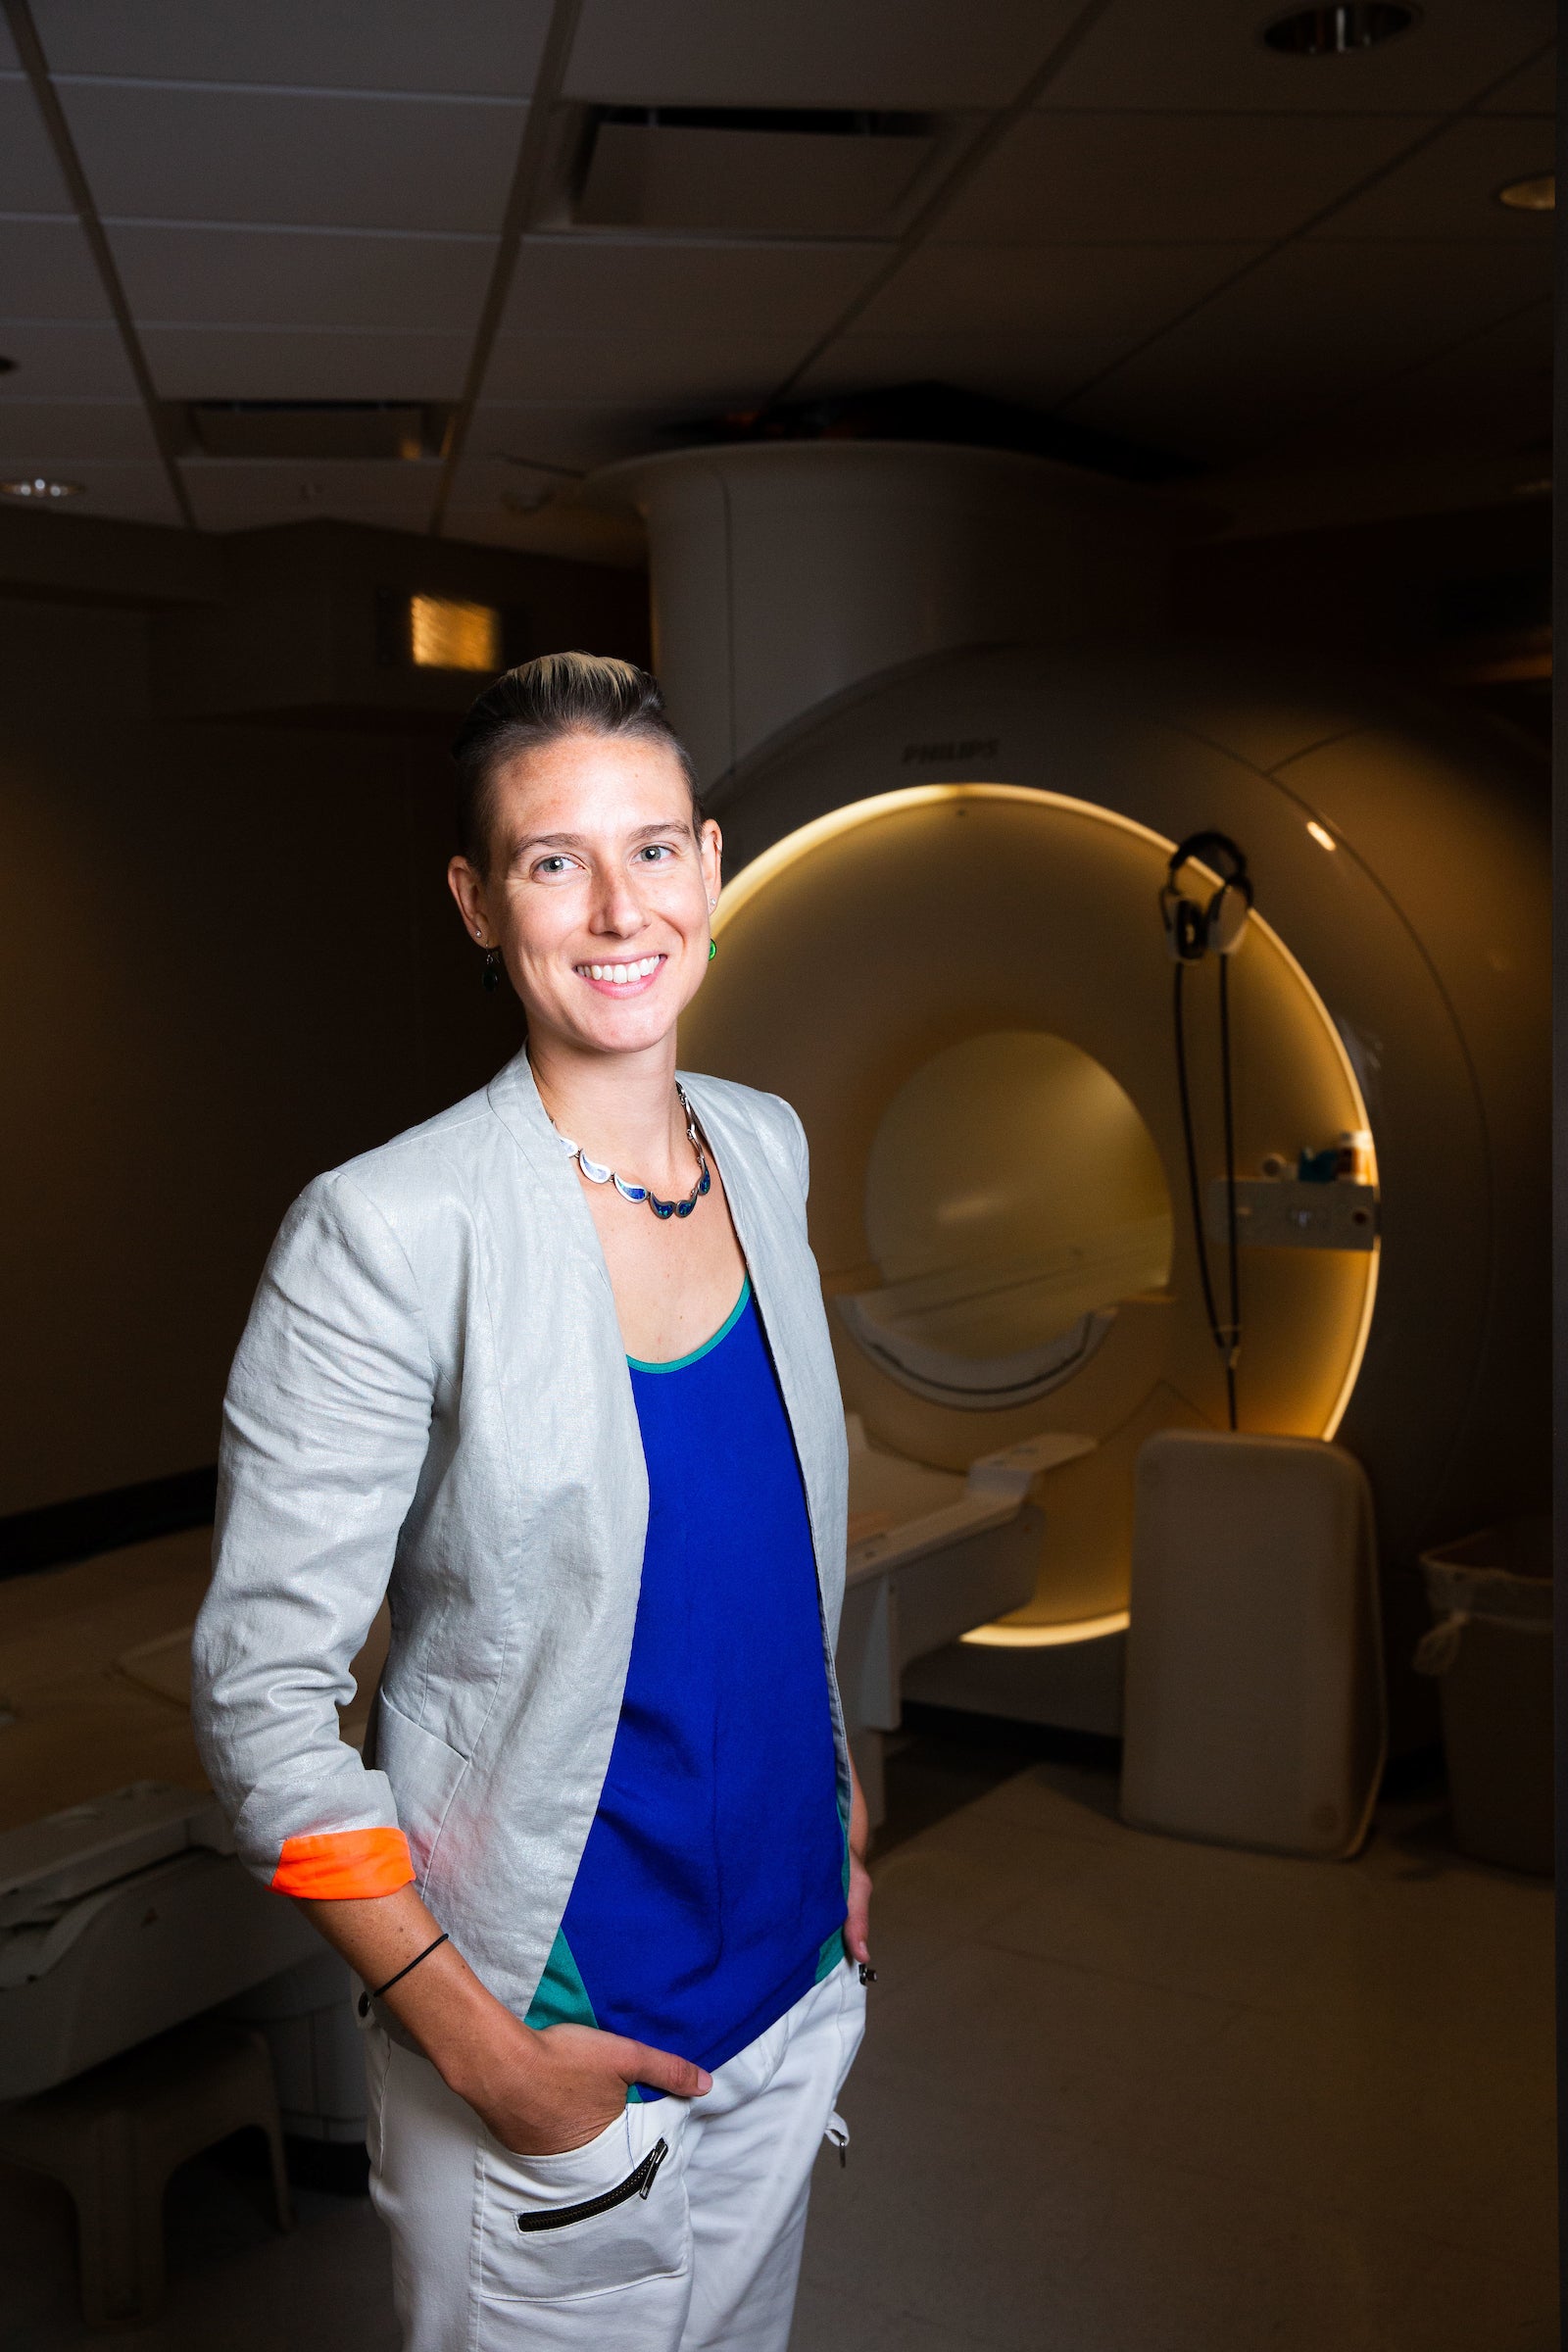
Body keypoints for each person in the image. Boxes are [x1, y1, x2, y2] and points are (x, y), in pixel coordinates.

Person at [191, 652, 871, 2352]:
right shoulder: (388, 1230)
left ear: (710, 865)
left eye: (652, 848)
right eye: (555, 859)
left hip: (791, 1986)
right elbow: (262, 1700)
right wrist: (479, 2044)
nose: (618, 905)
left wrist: (840, 1823)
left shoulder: (767, 1148)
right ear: (480, 904)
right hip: (551, 2024)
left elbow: (765, 1550)